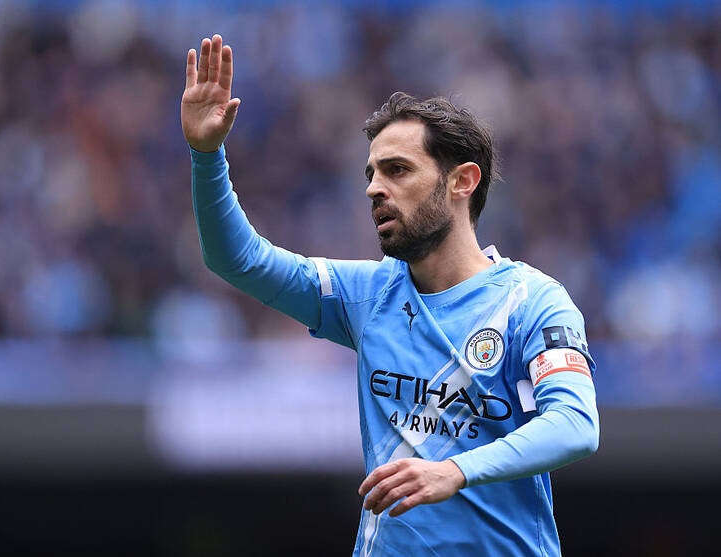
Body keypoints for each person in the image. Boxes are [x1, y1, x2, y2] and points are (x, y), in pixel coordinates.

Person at [181, 34, 599, 557]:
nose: (374, 188)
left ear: (462, 181)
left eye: (397, 170)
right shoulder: (367, 295)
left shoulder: (532, 302)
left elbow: (574, 425)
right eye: (371, 173)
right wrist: (206, 154)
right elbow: (237, 259)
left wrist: (455, 470)